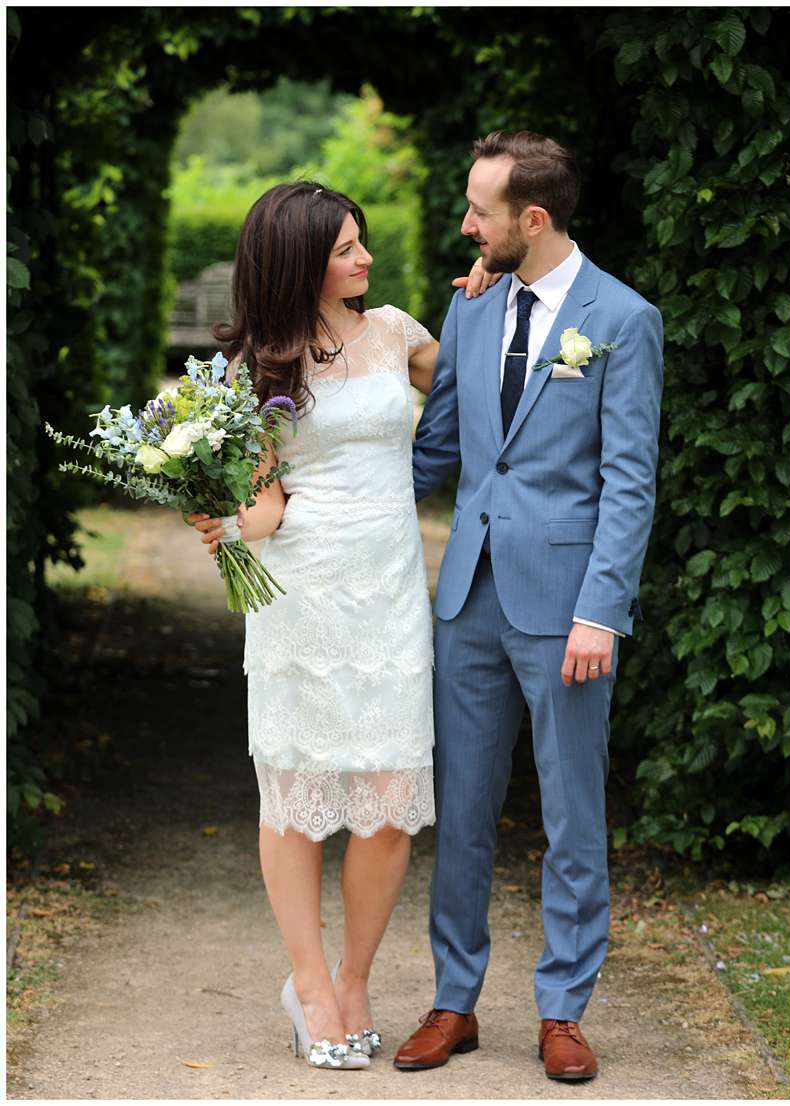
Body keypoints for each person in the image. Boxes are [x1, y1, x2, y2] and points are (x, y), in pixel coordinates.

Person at [188, 182, 490, 1071]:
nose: (365, 260)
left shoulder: (397, 330)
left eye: (361, 243)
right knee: (295, 799)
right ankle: (309, 986)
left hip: (392, 594)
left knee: (390, 803)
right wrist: (220, 519)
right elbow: (268, 507)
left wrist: (486, 300)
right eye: (346, 249)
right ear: (299, 263)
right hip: (303, 597)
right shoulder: (257, 367)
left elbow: (487, 392)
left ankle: (356, 980)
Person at [395, 131, 664, 1082]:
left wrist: (603, 609)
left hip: (566, 608)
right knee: (460, 808)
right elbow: (436, 454)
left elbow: (629, 482)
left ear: (533, 218)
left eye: (481, 211)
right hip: (466, 595)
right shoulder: (470, 308)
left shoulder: (623, 320)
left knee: (573, 811)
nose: (466, 226)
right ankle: (452, 1001)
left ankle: (563, 1010)